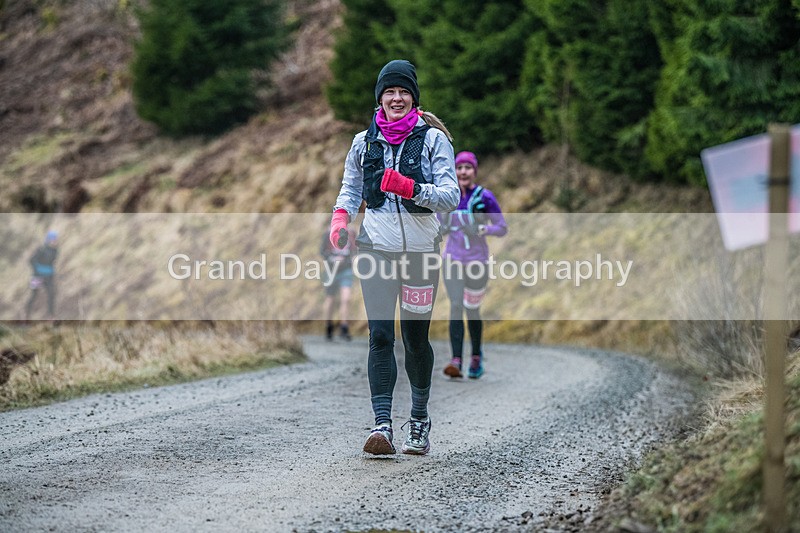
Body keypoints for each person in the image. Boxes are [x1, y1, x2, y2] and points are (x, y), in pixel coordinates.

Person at [330, 59, 459, 455]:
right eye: (390, 92)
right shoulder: (363, 142)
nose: (397, 98)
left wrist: (410, 188)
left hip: (420, 253)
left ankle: (418, 421)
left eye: (404, 92)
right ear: (380, 98)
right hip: (376, 250)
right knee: (381, 335)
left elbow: (450, 197)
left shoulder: (435, 140)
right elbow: (351, 190)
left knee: (415, 338)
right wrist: (340, 221)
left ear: (414, 97)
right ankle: (382, 426)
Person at [440, 151, 507, 379]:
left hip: (477, 261)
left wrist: (482, 229)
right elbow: (438, 226)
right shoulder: (449, 197)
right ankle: (456, 360)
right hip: (452, 259)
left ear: (474, 171)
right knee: (456, 306)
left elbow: (501, 227)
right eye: (459, 168)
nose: (463, 172)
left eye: (467, 168)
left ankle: (476, 357)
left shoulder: (484, 197)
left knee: (472, 309)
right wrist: (443, 226)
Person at [320, 223, 355, 341]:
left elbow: (354, 250)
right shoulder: (328, 232)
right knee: (330, 299)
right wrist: (332, 259)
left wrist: (350, 260)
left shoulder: (351, 232)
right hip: (331, 270)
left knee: (346, 299)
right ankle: (328, 325)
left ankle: (344, 327)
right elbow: (322, 251)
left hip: (346, 269)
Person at [25, 230, 59, 320]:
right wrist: (38, 270)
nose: (55, 241)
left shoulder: (55, 251)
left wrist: (51, 271)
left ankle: (51, 315)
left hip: (49, 277)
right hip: (37, 276)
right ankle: (27, 314)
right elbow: (31, 261)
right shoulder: (41, 249)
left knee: (51, 293)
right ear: (48, 240)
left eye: (56, 239)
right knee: (34, 295)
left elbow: (51, 263)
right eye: (53, 239)